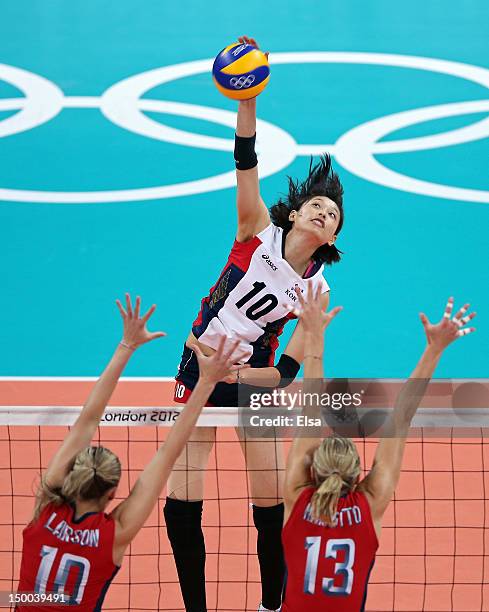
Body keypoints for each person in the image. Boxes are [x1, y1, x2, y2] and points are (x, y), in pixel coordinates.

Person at [165, 36, 345, 612]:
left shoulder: (316, 288)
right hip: (200, 366)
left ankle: (273, 606)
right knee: (183, 495)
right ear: (295, 213)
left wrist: (252, 381)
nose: (325, 211)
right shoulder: (256, 230)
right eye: (318, 205)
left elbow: (291, 369)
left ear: (334, 237)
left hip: (252, 382)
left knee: (270, 501)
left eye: (334, 214)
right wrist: (248, 102)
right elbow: (245, 161)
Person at [15, 294, 241, 611]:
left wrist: (126, 346)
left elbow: (85, 422)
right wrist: (206, 383)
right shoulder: (114, 534)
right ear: (112, 494)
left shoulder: (47, 508)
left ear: (72, 478)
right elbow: (168, 453)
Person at [282, 287, 476, 611]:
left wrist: (314, 336)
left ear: (312, 468)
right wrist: (434, 350)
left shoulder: (297, 496)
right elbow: (401, 416)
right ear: (358, 475)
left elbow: (311, 405)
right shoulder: (369, 505)